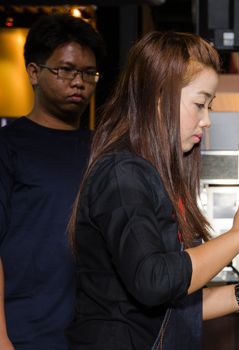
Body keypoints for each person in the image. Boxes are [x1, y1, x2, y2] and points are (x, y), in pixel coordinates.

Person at [66, 31, 239, 349]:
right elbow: (154, 281)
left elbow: (171, 306)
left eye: (209, 106)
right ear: (158, 96)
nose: (207, 120)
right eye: (199, 104)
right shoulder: (122, 173)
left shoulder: (154, 175)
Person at [0, 14, 105, 350]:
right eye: (66, 70)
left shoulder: (102, 148)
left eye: (89, 73)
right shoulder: (9, 147)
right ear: (34, 72)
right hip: (25, 333)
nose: (79, 82)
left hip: (92, 333)